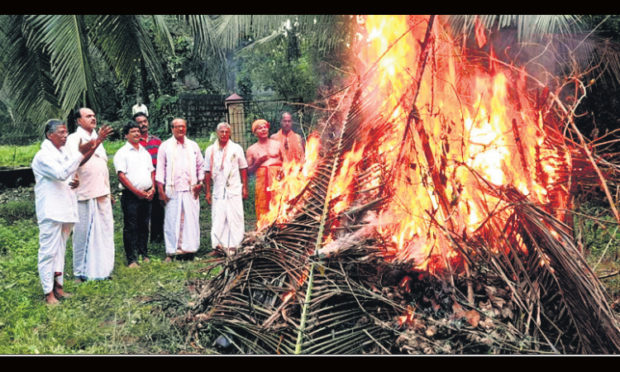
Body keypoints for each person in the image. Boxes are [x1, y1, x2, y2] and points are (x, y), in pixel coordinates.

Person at [32, 119, 98, 304]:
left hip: (65, 208)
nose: (65, 135)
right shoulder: (42, 156)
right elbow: (61, 173)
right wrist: (80, 154)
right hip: (51, 211)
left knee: (60, 250)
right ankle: (48, 293)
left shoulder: (62, 153)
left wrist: (74, 180)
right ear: (49, 135)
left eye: (65, 132)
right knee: (48, 252)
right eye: (61, 132)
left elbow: (68, 174)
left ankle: (59, 287)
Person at [65, 107, 115, 282]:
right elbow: (79, 161)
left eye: (94, 115)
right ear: (79, 121)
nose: (93, 118)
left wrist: (109, 190)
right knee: (83, 234)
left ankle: (103, 270)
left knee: (105, 231)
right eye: (88, 116)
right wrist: (99, 140)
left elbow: (101, 167)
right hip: (84, 194)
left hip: (102, 192)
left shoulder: (95, 138)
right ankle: (80, 272)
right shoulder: (74, 139)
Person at [155, 118, 204, 262]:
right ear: (172, 129)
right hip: (172, 189)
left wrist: (200, 183)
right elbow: (160, 169)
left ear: (186, 128)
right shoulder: (165, 146)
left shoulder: (193, 146)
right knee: (171, 220)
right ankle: (171, 251)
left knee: (191, 220)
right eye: (177, 127)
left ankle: (190, 250)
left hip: (191, 189)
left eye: (183, 126)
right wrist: (161, 190)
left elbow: (200, 166)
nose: (181, 129)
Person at [114, 121, 155, 268]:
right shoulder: (122, 153)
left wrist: (153, 189)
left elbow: (151, 171)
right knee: (131, 226)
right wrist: (137, 192)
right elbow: (121, 176)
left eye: (138, 131)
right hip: (131, 196)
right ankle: (132, 259)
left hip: (147, 194)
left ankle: (144, 253)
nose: (137, 133)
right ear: (126, 135)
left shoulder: (144, 152)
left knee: (144, 225)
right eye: (133, 131)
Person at [203, 122, 249, 255]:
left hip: (233, 188)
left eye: (226, 132)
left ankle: (235, 246)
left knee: (235, 216)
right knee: (218, 217)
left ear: (230, 133)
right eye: (221, 131)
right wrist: (207, 192)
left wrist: (245, 188)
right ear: (217, 133)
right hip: (218, 189)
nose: (224, 134)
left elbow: (243, 168)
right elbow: (207, 172)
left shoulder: (236, 148)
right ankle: (218, 247)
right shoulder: (210, 150)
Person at [135, 112, 164, 243]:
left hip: (157, 180)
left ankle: (156, 238)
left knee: (158, 210)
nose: (142, 125)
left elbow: (164, 161)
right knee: (142, 212)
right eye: (139, 123)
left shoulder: (157, 141)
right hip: (143, 181)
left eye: (144, 121)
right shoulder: (135, 143)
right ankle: (142, 239)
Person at [246, 119, 283, 222]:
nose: (263, 130)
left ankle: (281, 226)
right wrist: (257, 162)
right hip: (261, 182)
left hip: (277, 179)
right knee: (262, 204)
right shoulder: (251, 149)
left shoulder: (277, 145)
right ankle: (263, 228)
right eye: (259, 128)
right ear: (255, 132)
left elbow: (287, 163)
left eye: (265, 127)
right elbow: (248, 171)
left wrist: (282, 171)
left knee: (279, 202)